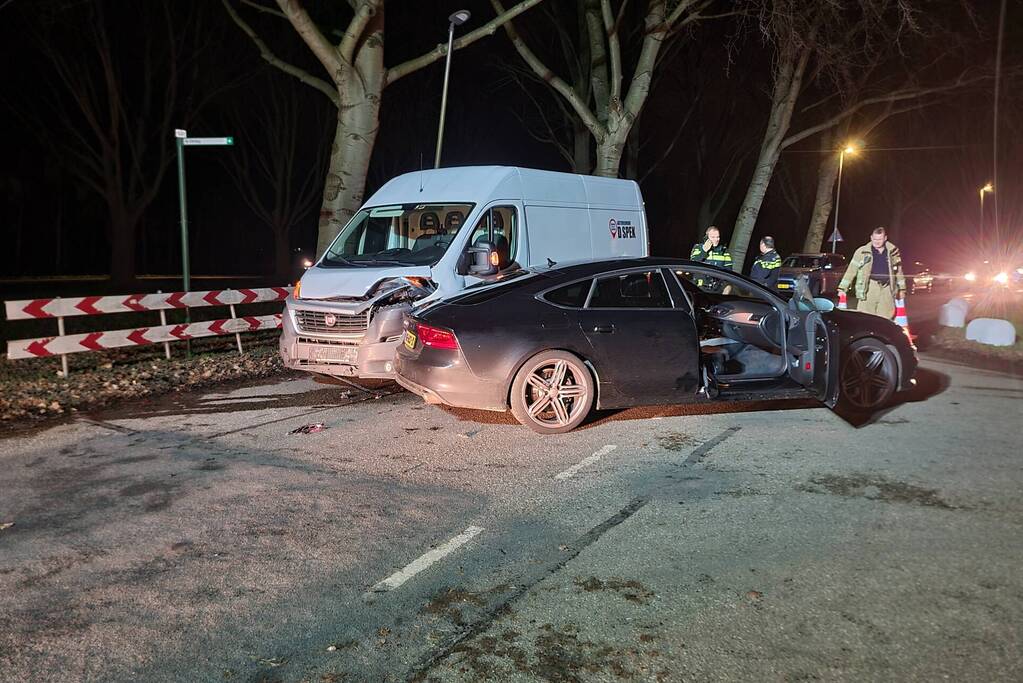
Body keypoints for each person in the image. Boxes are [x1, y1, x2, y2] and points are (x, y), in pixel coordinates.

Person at [837, 226, 907, 319]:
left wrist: (902, 289)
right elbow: (851, 270)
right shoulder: (862, 252)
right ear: (871, 238)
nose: (877, 242)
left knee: (886, 318)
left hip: (887, 289)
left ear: (885, 238)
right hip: (869, 288)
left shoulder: (893, 252)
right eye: (874, 239)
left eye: (880, 239)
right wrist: (842, 288)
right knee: (866, 318)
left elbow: (898, 271)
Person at [690, 226, 733, 291]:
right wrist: (704, 251)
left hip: (717, 287)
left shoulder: (724, 251)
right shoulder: (698, 248)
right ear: (706, 238)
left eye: (718, 237)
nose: (716, 239)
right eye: (713, 237)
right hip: (700, 287)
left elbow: (729, 271)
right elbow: (692, 263)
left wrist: (727, 287)